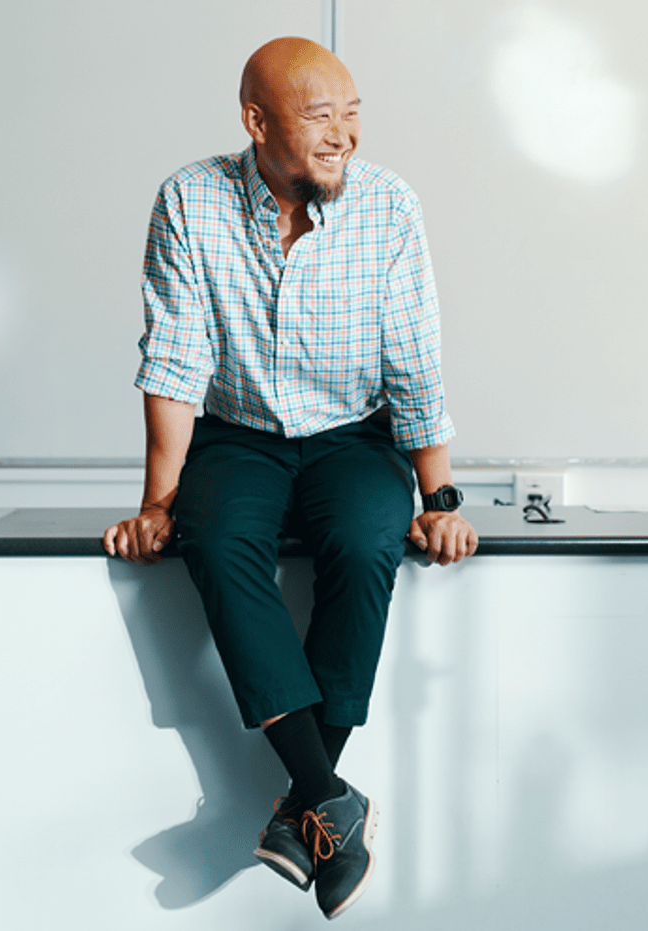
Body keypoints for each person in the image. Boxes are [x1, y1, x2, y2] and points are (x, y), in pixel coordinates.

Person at [102, 36, 476, 919]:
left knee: (364, 538)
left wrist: (441, 497)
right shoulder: (190, 200)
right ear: (257, 121)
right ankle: (328, 799)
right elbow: (175, 361)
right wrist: (159, 502)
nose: (343, 134)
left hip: (354, 436)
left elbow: (415, 357)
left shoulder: (389, 206)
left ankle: (307, 807)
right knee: (218, 537)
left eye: (352, 113)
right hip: (239, 437)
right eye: (320, 116)